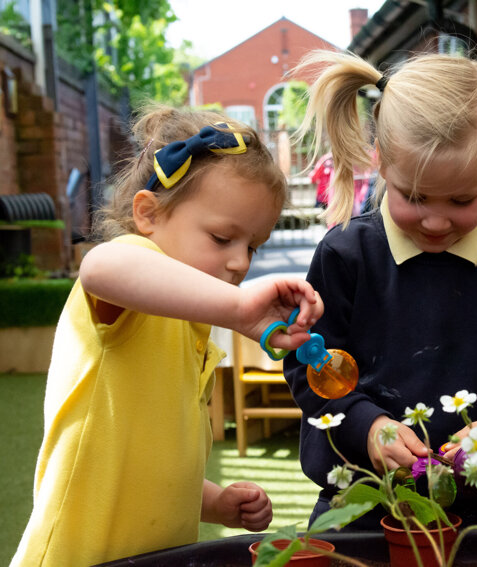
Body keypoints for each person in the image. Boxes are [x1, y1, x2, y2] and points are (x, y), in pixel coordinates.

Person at [12, 106, 324, 567]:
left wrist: (214, 502)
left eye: (252, 246)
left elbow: (146, 462)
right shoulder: (128, 288)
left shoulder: (191, 326)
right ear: (148, 214)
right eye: (222, 238)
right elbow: (101, 267)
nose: (240, 262)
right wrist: (238, 308)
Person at [285, 48, 477, 530]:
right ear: (381, 162)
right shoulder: (345, 255)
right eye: (415, 197)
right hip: (354, 500)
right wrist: (369, 425)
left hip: (470, 505)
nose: (437, 220)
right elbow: (309, 363)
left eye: (463, 199)